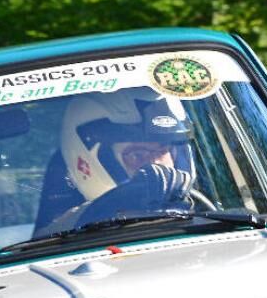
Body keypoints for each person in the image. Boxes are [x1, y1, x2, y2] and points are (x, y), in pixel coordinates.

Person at [34, 87, 199, 234]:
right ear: (86, 162)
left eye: (163, 152)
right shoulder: (62, 236)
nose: (157, 168)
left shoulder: (206, 217)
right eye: (137, 155)